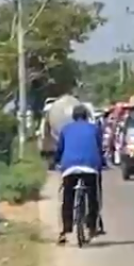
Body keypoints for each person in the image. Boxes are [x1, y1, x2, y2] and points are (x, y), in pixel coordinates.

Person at [53, 104, 106, 244]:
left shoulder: (65, 129)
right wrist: (102, 162)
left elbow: (59, 150)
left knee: (67, 198)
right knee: (94, 196)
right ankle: (92, 226)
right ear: (86, 116)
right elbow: (100, 148)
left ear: (73, 117)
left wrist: (56, 161)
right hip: (90, 166)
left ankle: (65, 230)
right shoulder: (95, 128)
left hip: (69, 167)